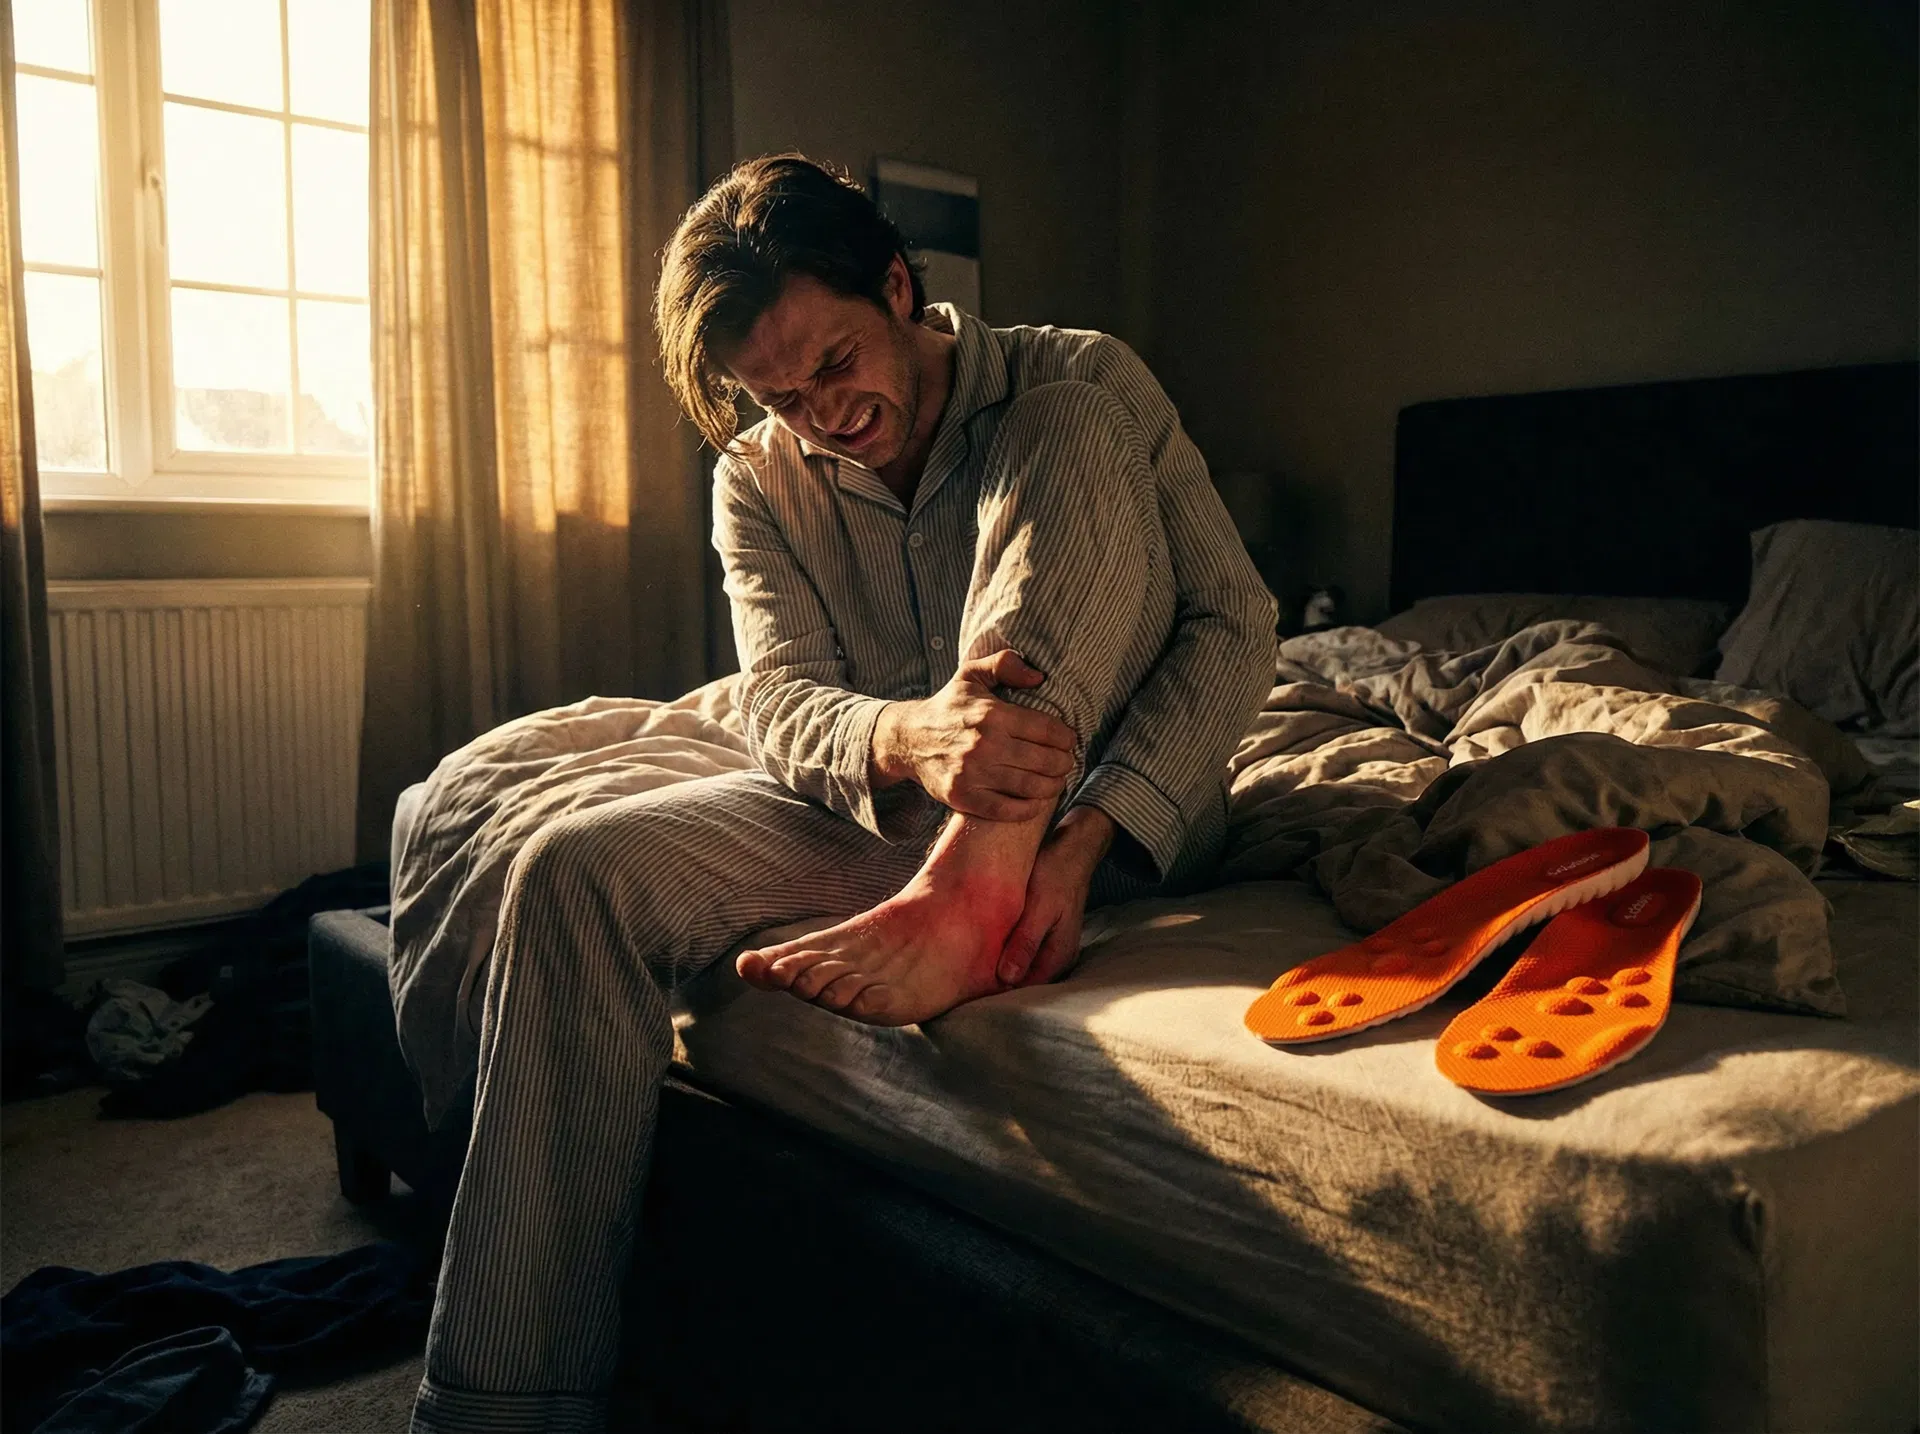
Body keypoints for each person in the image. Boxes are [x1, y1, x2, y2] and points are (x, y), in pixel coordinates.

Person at [411, 153, 1278, 1433]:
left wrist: (1082, 841)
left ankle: (979, 883)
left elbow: (1235, 623)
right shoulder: (758, 478)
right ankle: (503, 1409)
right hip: (887, 811)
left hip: (1107, 809)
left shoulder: (1078, 375)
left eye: (834, 364)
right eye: (779, 395)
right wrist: (911, 736)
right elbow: (777, 701)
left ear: (899, 288)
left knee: (1071, 424)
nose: (822, 414)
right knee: (566, 871)